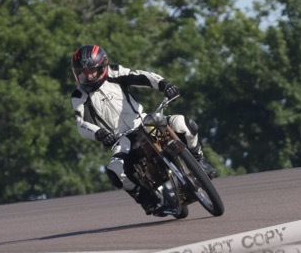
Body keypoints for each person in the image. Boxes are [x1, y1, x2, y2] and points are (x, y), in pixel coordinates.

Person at [70, 44, 218, 215]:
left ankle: (199, 160)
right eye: (82, 72)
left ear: (102, 66)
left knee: (183, 123)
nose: (87, 76)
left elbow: (142, 76)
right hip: (121, 138)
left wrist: (164, 84)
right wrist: (99, 133)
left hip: (144, 122)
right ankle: (147, 199)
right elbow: (81, 123)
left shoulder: (115, 73)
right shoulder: (79, 95)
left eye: (91, 71)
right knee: (115, 170)